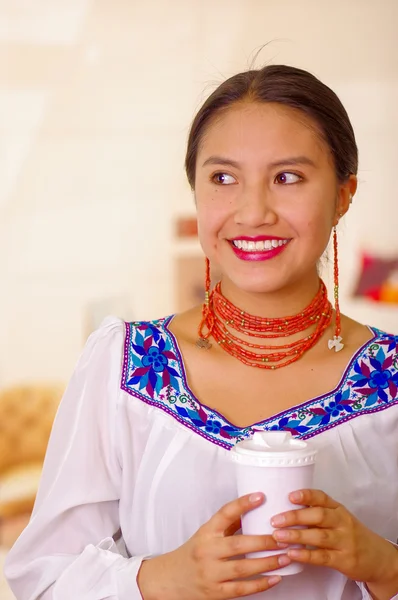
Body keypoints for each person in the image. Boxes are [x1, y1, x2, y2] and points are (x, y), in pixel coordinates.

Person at [4, 64, 398, 600]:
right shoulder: (125, 367)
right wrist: (163, 579)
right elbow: (41, 580)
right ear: (196, 193)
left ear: (344, 194)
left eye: (287, 177)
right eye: (223, 178)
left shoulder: (392, 383)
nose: (253, 212)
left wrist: (384, 566)